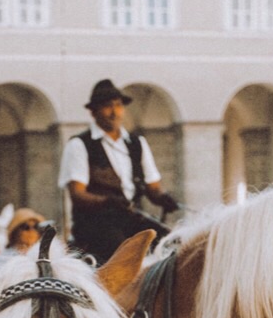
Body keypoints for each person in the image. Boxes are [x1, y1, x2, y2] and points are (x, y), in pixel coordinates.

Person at [58, 79, 181, 262]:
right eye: (107, 106)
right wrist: (106, 201)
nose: (114, 112)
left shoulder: (137, 144)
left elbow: (153, 187)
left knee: (173, 245)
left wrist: (163, 197)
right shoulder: (79, 145)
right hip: (96, 224)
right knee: (124, 253)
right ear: (93, 111)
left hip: (131, 220)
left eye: (118, 105)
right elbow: (78, 193)